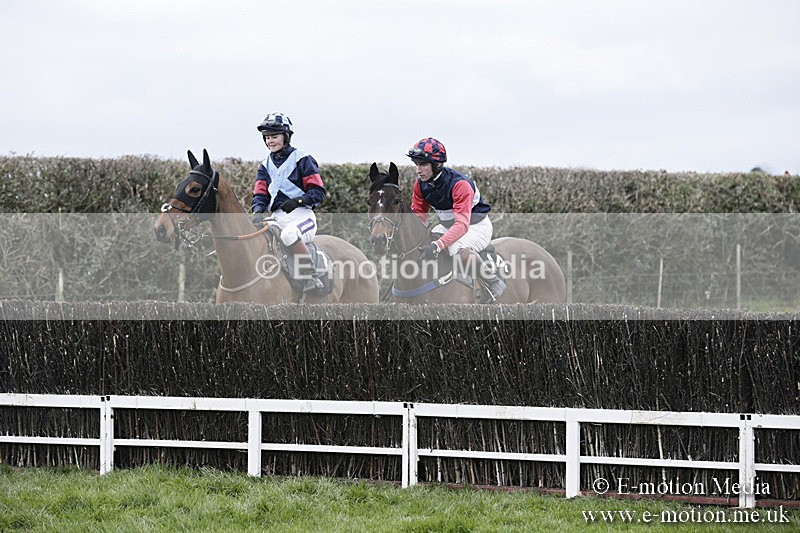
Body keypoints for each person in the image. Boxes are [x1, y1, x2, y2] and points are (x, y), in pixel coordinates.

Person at [407, 137, 507, 303]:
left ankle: (493, 282)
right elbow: (418, 217)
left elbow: (462, 225)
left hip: (475, 227)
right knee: (425, 242)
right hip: (449, 227)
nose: (418, 170)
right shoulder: (420, 185)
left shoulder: (459, 184)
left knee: (454, 248)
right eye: (416, 164)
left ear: (437, 164)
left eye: (423, 164)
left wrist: (437, 245)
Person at [252, 112, 325, 290]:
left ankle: (310, 276)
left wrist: (298, 201)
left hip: (301, 217)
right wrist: (258, 210)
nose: (270, 141)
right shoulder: (264, 165)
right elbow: (260, 193)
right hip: (276, 218)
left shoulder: (303, 159)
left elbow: (318, 192)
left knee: (288, 235)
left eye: (274, 137)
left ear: (286, 137)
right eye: (267, 137)